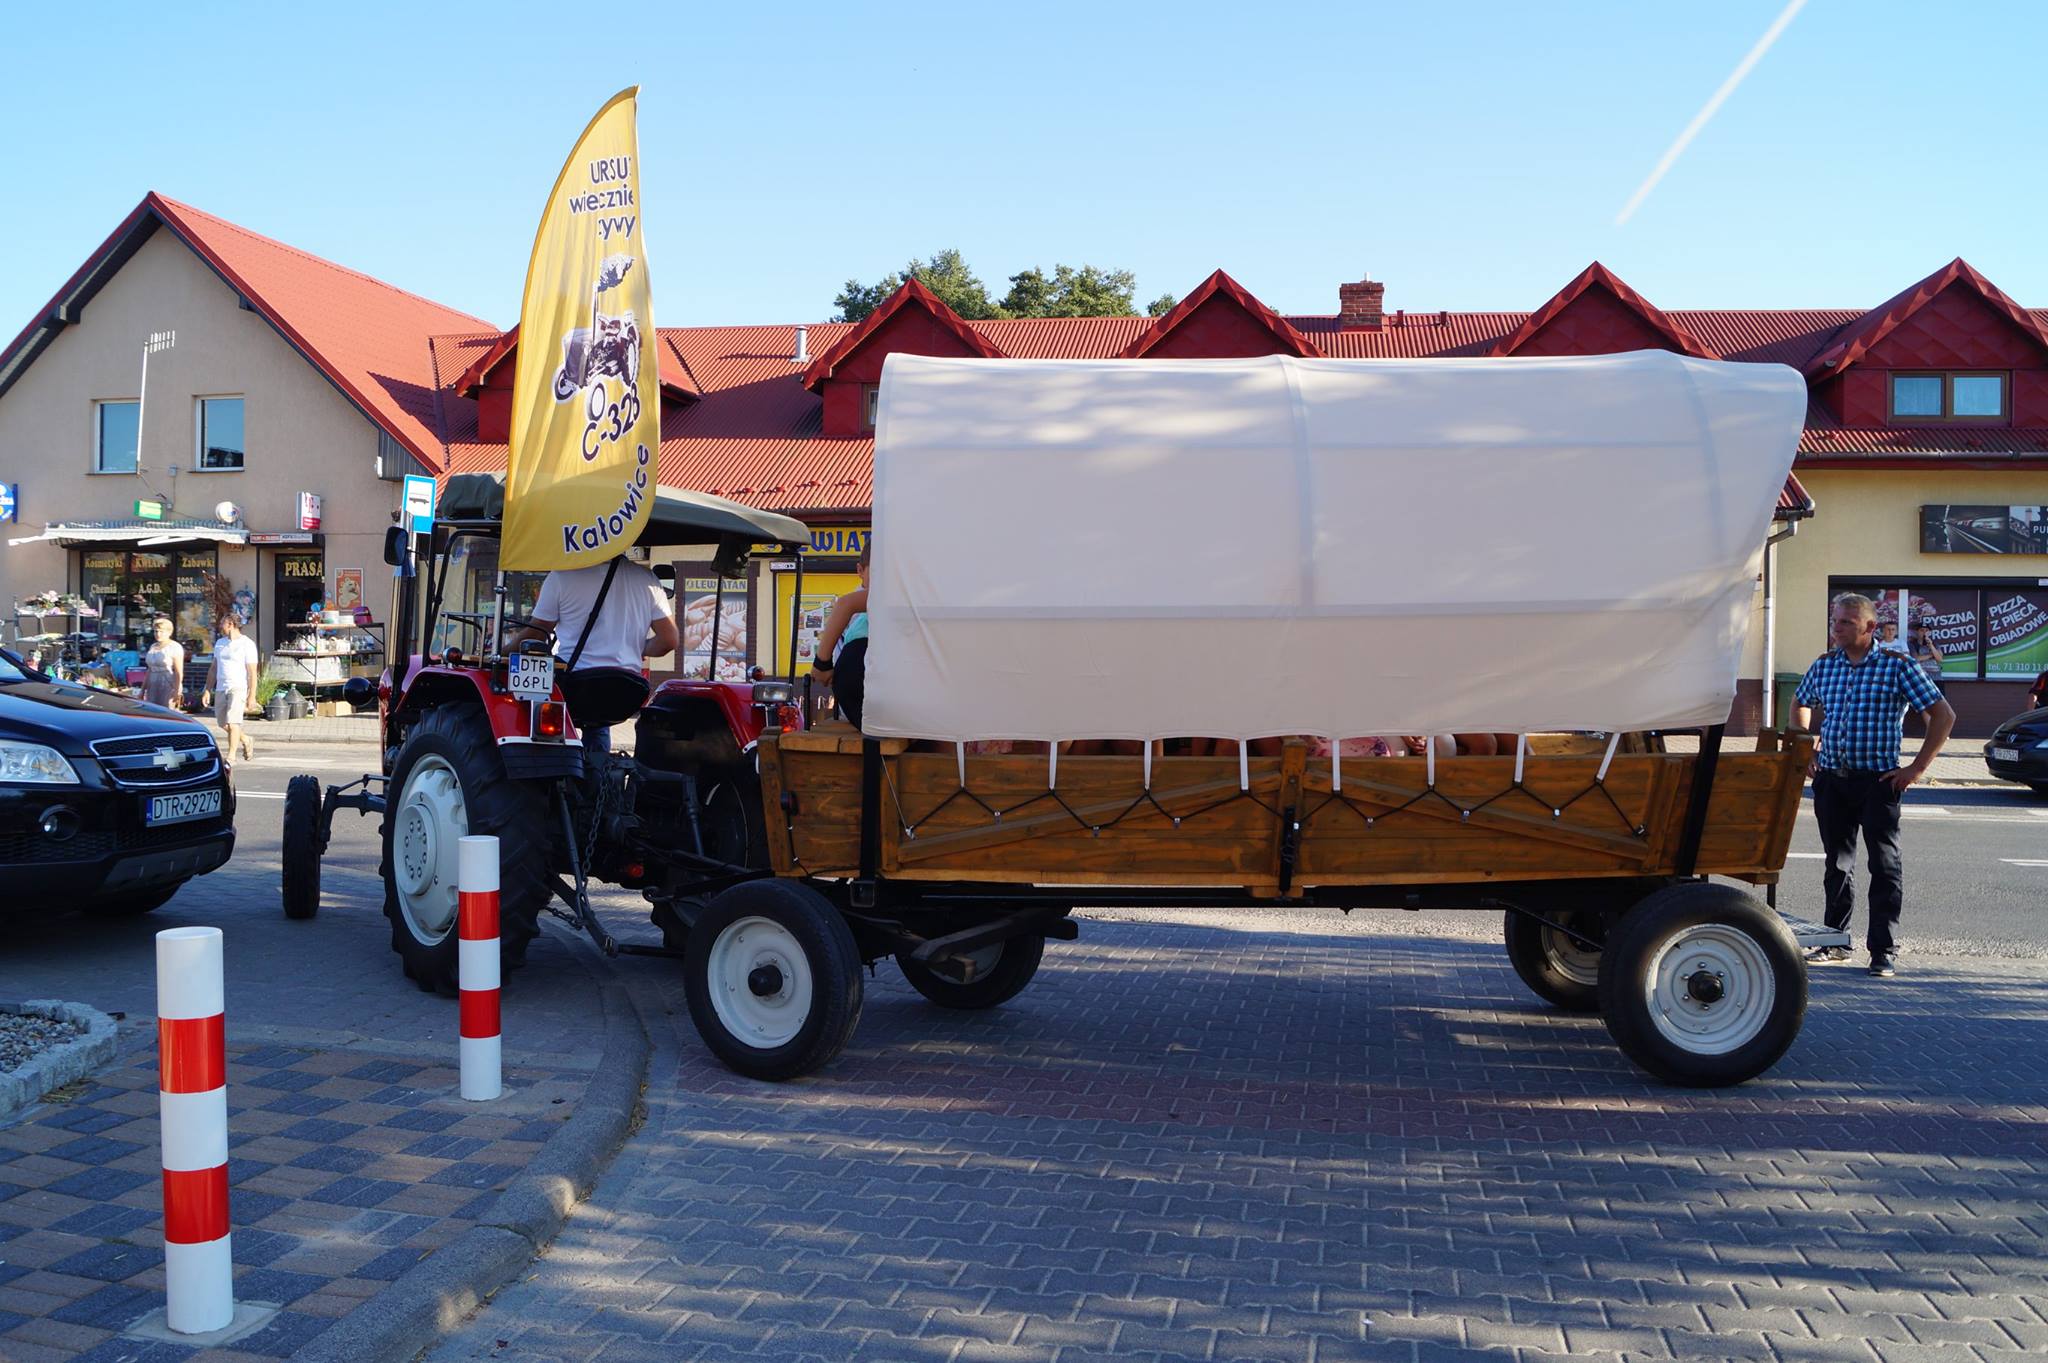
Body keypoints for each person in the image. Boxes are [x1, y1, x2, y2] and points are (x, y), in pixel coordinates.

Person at [1793, 592, 1956, 977]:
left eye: (1845, 622)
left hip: (1878, 782)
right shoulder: (1825, 665)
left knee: (1884, 866)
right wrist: (1804, 746)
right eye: (1834, 621)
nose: (1836, 628)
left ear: (1869, 627)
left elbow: (1943, 715)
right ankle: (1835, 942)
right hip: (1832, 779)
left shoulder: (1897, 666)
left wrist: (1915, 769)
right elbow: (1800, 702)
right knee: (1837, 863)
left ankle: (1883, 950)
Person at [514, 554, 677, 759]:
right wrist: (637, 649)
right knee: (599, 721)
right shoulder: (647, 579)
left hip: (575, 686)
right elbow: (669, 640)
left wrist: (501, 651)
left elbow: (537, 633)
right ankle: (599, 769)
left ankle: (554, 762)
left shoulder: (562, 576)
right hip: (626, 689)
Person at [812, 542, 870, 728]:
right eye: (879, 572)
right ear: (860, 570)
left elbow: (845, 604)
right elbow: (845, 604)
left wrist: (822, 665)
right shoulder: (882, 597)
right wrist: (823, 665)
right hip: (861, 692)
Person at [202, 614, 261, 762]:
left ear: (231, 624)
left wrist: (251, 696)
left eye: (222, 623)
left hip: (238, 687)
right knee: (222, 722)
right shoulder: (220, 643)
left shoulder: (247, 644)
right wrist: (207, 690)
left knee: (234, 722)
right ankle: (245, 739)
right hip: (221, 687)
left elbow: (252, 672)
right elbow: (213, 668)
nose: (220, 625)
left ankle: (231, 756)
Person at [142, 616, 185, 711]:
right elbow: (149, 670)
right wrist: (142, 690)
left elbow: (178, 672)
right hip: (152, 683)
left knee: (167, 712)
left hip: (168, 682)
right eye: (156, 631)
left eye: (161, 631)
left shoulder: (175, 647)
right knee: (152, 711)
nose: (158, 634)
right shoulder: (153, 646)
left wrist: (176, 691)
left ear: (169, 632)